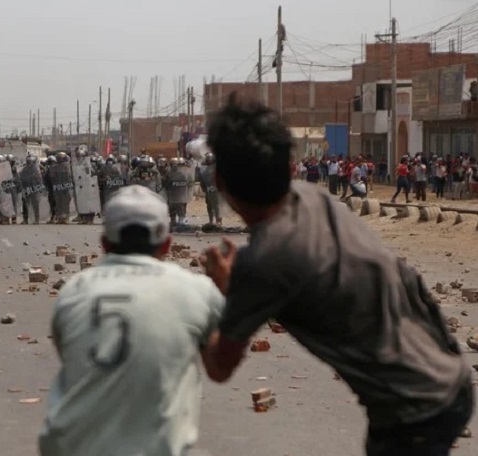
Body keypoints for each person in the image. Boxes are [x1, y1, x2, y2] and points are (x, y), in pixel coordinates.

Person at [200, 95, 473, 456]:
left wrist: (208, 300)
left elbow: (220, 366)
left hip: (413, 412)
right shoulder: (311, 198)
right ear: (291, 168)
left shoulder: (264, 262)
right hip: (450, 379)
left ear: (219, 180)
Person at [39, 185, 225, 456]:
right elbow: (219, 366)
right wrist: (225, 291)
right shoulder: (194, 288)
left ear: (104, 243)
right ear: (167, 244)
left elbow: (66, 351)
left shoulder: (74, 289)